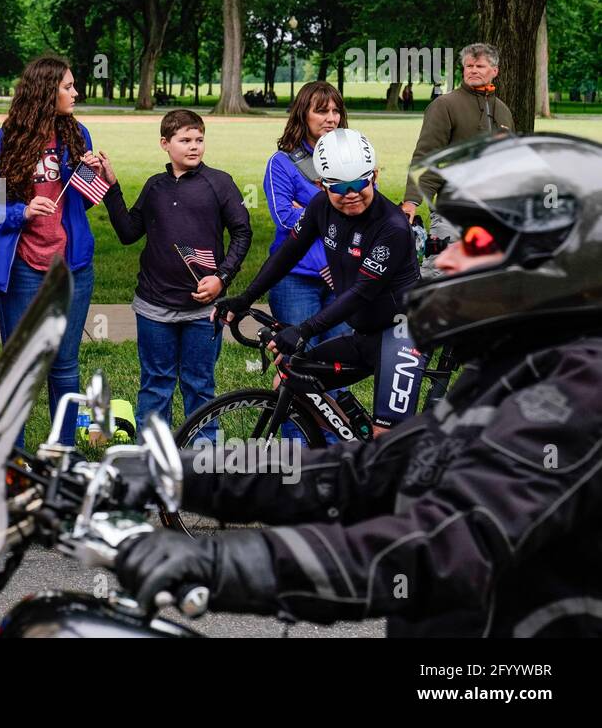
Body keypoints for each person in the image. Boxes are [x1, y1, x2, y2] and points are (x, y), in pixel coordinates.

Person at [115, 131, 602, 637]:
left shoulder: (576, 397)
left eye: (474, 243)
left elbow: (425, 551)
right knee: (324, 395)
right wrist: (170, 473)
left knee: (383, 432)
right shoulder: (503, 374)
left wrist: (214, 564)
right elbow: (361, 470)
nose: (446, 262)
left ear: (555, 264)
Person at [214, 128, 423, 435]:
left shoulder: (391, 225)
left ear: (374, 176)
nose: (351, 193)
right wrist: (245, 298)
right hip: (366, 332)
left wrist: (304, 329)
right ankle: (349, 449)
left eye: (360, 183)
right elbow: (287, 254)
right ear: (321, 184)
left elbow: (361, 292)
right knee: (290, 379)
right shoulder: (319, 207)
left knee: (384, 439)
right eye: (339, 187)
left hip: (403, 333)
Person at [0, 55, 105, 449]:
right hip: (24, 269)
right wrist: (22, 211)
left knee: (64, 366)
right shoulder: (4, 142)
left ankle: (59, 454)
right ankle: (11, 456)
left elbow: (85, 201)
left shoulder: (78, 135)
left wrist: (90, 173)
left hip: (73, 269)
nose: (75, 93)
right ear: (46, 91)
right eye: (68, 87)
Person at [99, 109, 251, 432]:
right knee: (156, 385)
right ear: (165, 144)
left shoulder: (219, 183)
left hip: (203, 311)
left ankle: (203, 461)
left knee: (199, 386)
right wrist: (112, 187)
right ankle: (153, 459)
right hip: (154, 307)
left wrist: (222, 278)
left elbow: (242, 233)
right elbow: (128, 232)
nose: (194, 146)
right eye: (185, 140)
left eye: (199, 139)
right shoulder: (155, 187)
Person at [402, 42, 513, 276]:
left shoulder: (503, 111)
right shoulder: (444, 105)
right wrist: (411, 201)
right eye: (468, 66)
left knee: (485, 277)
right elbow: (426, 155)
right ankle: (418, 312)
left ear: (495, 71)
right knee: (440, 271)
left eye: (480, 65)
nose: (473, 70)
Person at [261, 81, 351, 349]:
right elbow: (285, 217)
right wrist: (336, 212)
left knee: (340, 359)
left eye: (336, 111)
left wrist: (309, 210)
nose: (331, 118)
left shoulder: (352, 157)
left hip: (343, 275)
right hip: (295, 277)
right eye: (322, 111)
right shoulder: (283, 161)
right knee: (299, 358)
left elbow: (366, 212)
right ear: (303, 114)